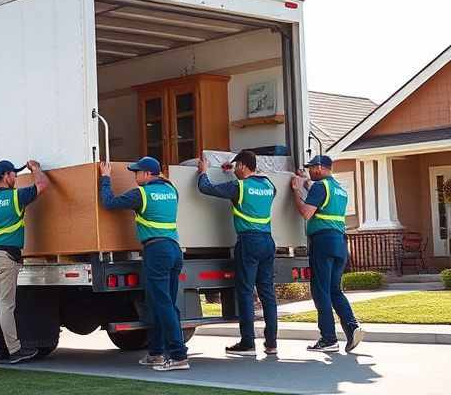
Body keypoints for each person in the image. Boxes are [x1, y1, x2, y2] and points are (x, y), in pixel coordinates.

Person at [99, 156, 189, 371]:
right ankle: (156, 352)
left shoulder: (141, 194)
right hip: (175, 249)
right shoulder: (171, 190)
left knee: (162, 304)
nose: (134, 176)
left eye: (137, 172)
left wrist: (105, 178)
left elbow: (109, 203)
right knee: (162, 302)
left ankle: (178, 356)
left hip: (156, 250)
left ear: (148, 174)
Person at [197, 150, 278, 356]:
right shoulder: (269, 186)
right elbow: (259, 186)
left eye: (236, 166)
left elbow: (206, 188)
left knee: (245, 291)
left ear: (241, 165)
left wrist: (203, 171)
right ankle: (271, 343)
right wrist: (231, 172)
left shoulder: (238, 187)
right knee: (267, 293)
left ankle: (248, 343)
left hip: (249, 242)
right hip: (268, 242)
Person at [0, 159, 49, 364]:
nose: (16, 178)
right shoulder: (16, 197)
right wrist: (36, 169)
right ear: (7, 175)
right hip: (5, 258)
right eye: (14, 175)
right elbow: (42, 185)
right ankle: (15, 350)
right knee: (6, 305)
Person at [291, 155, 363, 353]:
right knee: (334, 290)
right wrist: (305, 181)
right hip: (340, 242)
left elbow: (307, 213)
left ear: (321, 168)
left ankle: (328, 339)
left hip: (323, 241)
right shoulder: (338, 188)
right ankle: (352, 326)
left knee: (320, 290)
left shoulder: (320, 187)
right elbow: (321, 197)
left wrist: (297, 191)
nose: (311, 171)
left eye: (313, 168)